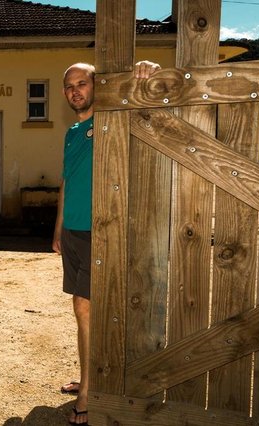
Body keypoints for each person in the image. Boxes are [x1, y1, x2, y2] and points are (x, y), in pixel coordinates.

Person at [52, 60, 160, 425]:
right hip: (74, 233)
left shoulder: (113, 118)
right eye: (69, 86)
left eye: (82, 82)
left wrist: (147, 70)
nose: (75, 90)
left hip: (104, 229)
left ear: (97, 85)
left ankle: (88, 392)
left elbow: (148, 100)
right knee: (81, 308)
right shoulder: (72, 131)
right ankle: (89, 377)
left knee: (87, 308)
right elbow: (67, 181)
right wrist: (58, 229)